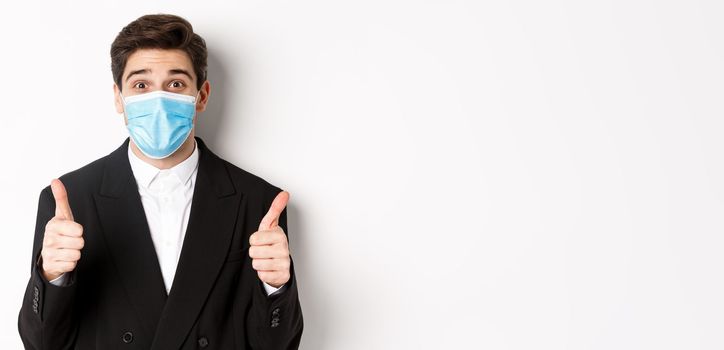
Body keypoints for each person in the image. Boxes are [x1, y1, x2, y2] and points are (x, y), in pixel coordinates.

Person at [17, 14, 303, 349]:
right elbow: (41, 343)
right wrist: (52, 278)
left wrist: (277, 288)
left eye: (176, 84)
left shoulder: (258, 202)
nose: (158, 99)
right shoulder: (71, 200)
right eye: (141, 85)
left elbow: (278, 346)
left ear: (202, 95)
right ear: (118, 98)